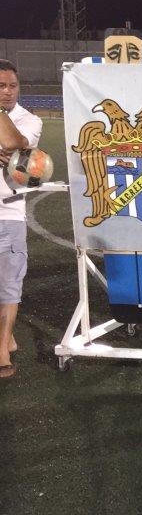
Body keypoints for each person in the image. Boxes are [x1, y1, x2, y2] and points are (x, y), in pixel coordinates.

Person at [0, 60, 43, 379]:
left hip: (10, 210)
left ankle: (2, 350)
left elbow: (16, 146)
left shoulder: (31, 120)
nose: (7, 92)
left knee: (10, 285)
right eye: (1, 86)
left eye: (12, 86)